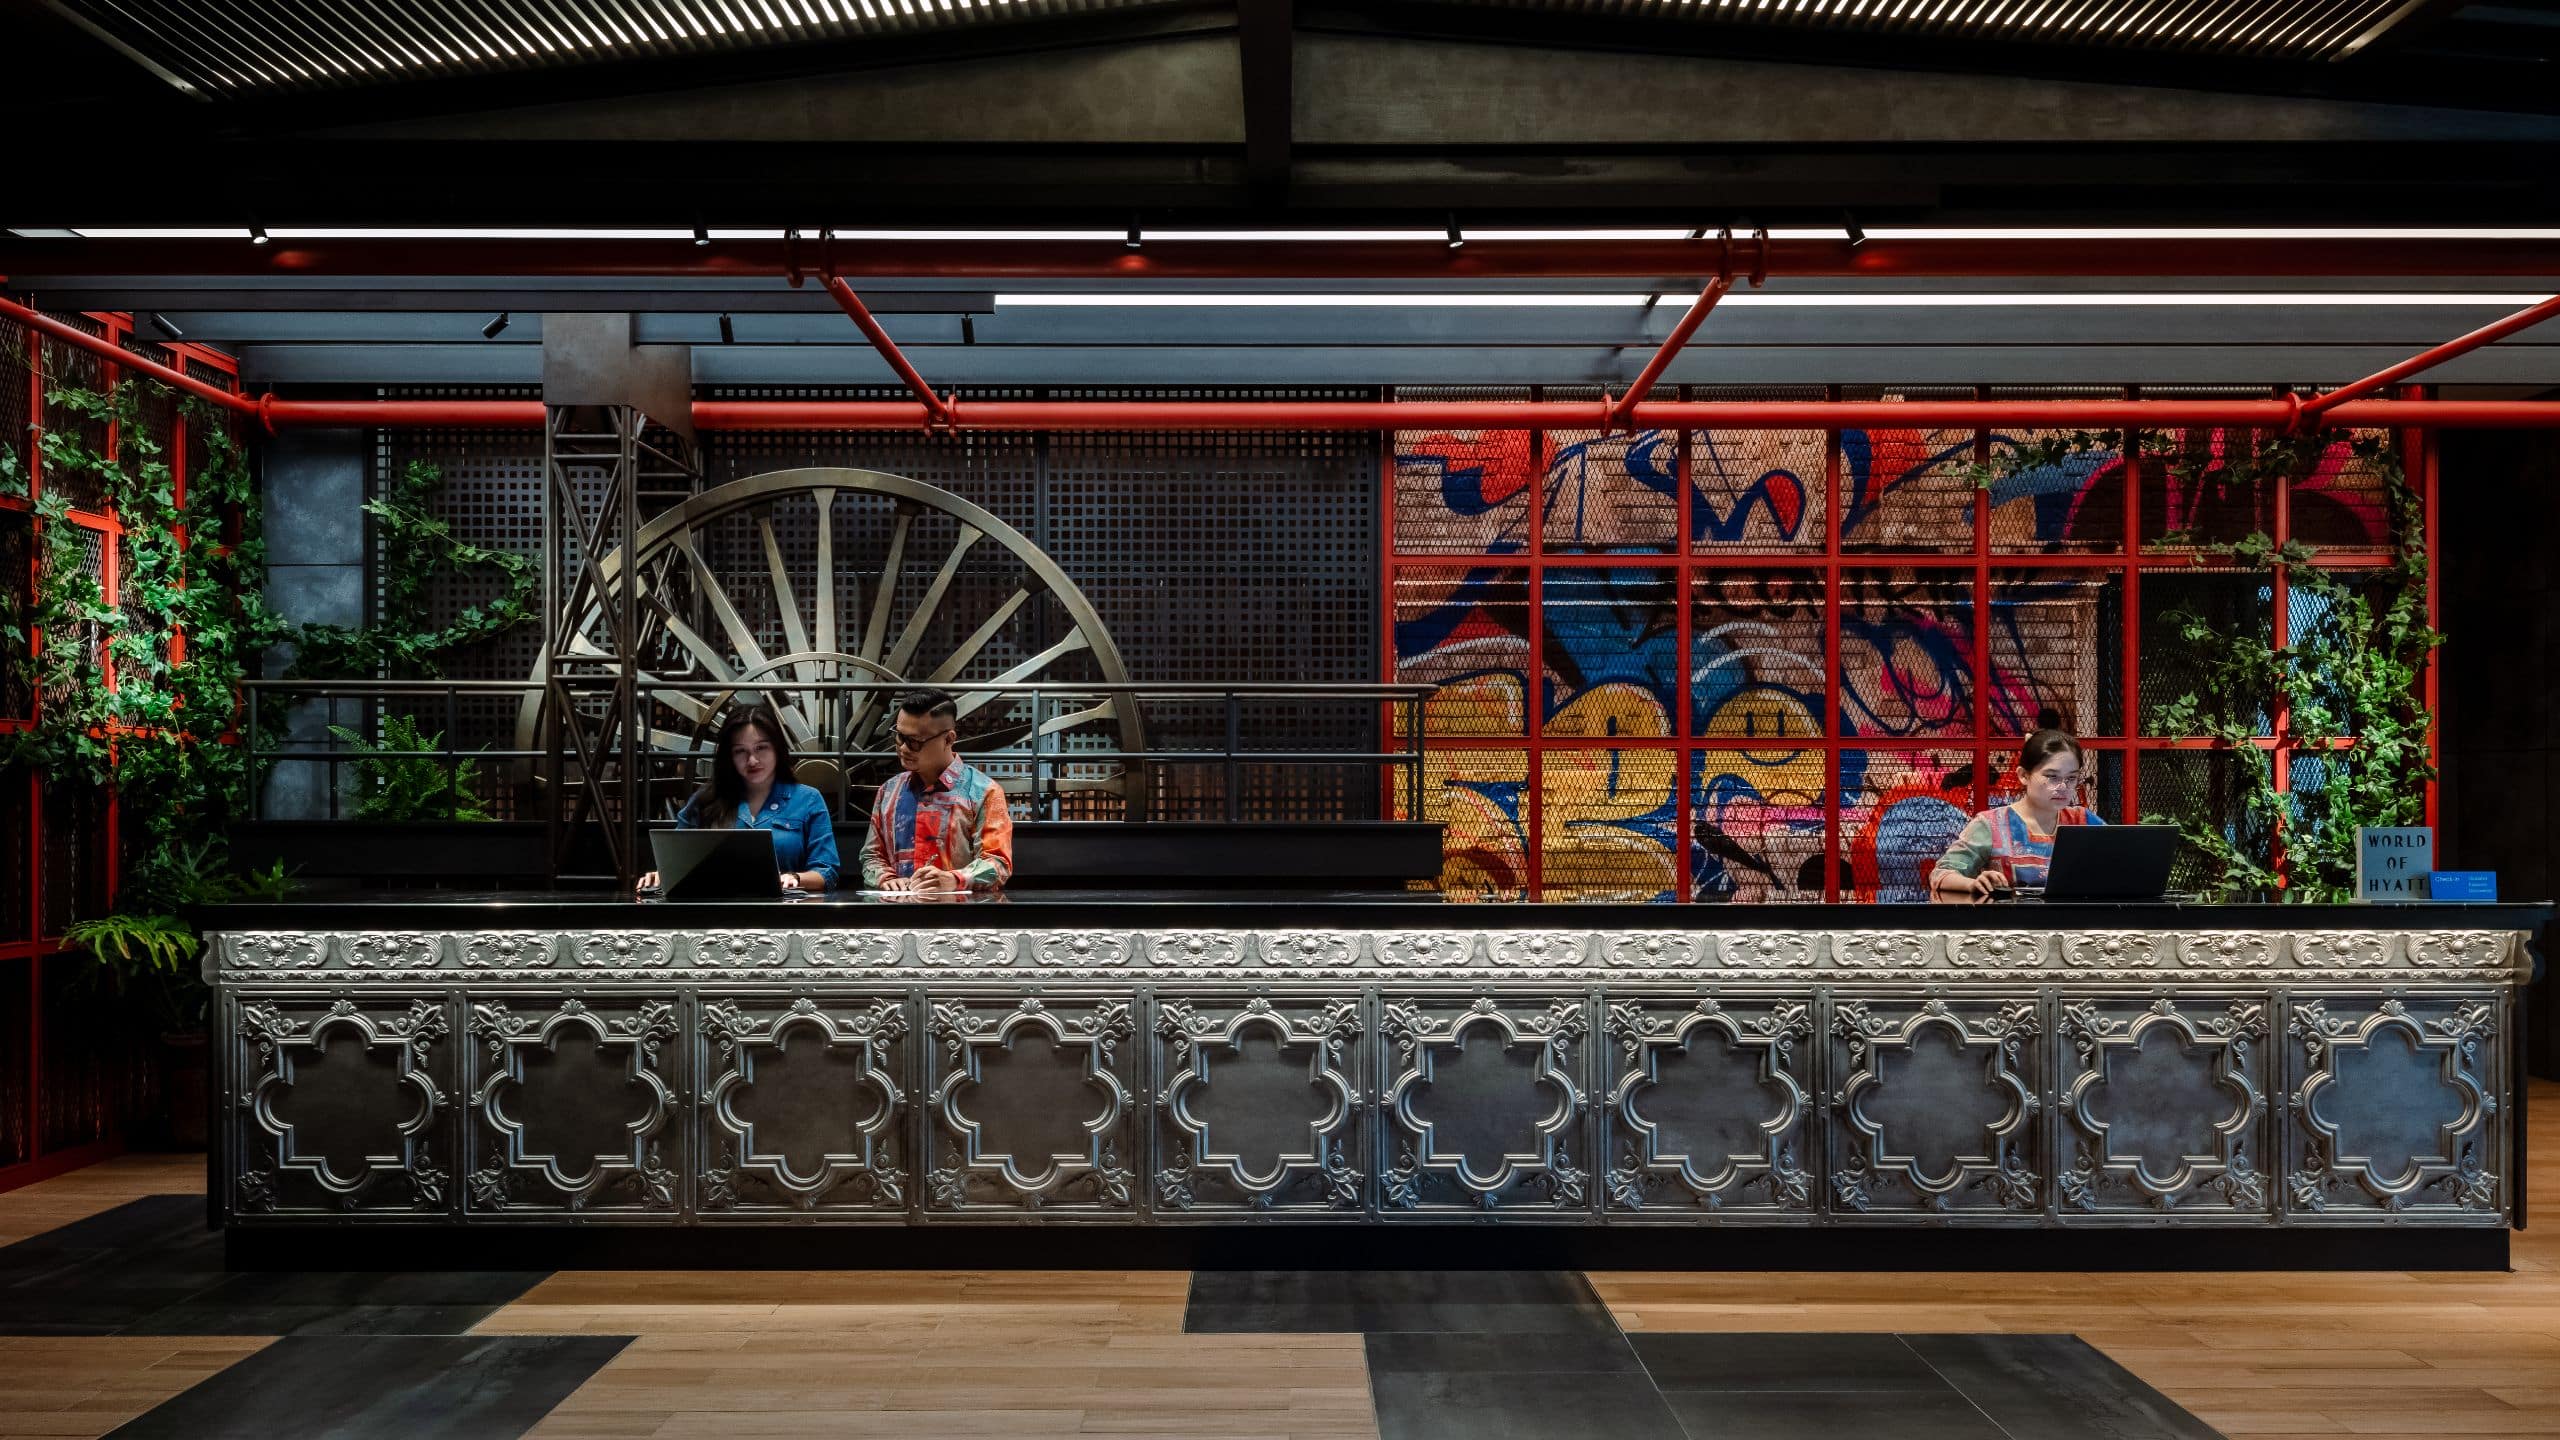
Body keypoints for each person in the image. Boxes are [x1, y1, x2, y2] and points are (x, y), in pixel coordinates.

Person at [635, 706, 841, 894]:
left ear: (777, 749)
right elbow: (675, 860)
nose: (752, 760)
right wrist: (663, 874)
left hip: (785, 915)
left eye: (761, 748)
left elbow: (827, 872)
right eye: (740, 751)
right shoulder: (707, 798)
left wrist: (795, 878)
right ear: (729, 756)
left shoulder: (808, 799)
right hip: (716, 914)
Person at [862, 687, 1014, 896]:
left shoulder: (983, 792)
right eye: (899, 737)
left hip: (960, 921)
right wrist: (886, 878)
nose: (904, 748)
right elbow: (871, 856)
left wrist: (954, 879)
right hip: (897, 917)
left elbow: (998, 863)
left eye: (914, 741)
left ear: (949, 739)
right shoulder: (888, 791)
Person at [1929, 722, 2105, 900]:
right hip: (2008, 924)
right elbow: (1941, 874)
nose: (2063, 787)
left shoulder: (2084, 821)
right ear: (2023, 775)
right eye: (2052, 776)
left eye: (2071, 778)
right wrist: (1974, 884)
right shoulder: (1991, 824)